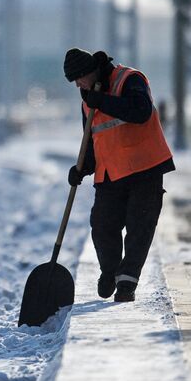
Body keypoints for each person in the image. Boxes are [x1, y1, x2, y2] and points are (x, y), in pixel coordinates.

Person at [64, 48, 175, 302]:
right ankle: (110, 271)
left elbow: (140, 111)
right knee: (103, 227)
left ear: (91, 72)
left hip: (145, 169)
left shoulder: (129, 80)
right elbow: (92, 143)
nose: (78, 85)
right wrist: (80, 169)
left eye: (80, 78)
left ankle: (127, 282)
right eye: (75, 82)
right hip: (110, 175)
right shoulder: (87, 102)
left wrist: (101, 101)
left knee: (140, 227)